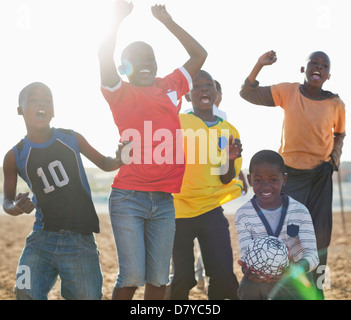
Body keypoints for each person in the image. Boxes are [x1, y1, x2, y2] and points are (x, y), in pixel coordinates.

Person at [98, 0, 207, 300]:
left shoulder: (171, 86)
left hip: (163, 201)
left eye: (150, 58)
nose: (145, 62)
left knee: (159, 279)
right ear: (123, 68)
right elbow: (103, 55)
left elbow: (200, 54)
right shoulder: (119, 93)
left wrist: (167, 21)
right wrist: (117, 19)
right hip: (128, 198)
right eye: (136, 59)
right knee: (132, 275)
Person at [2, 82, 124, 300]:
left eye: (47, 100)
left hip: (80, 241)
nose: (42, 103)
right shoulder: (14, 156)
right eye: (33, 99)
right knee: (24, 291)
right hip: (40, 239)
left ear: (54, 110)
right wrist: (17, 207)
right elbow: (7, 201)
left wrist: (120, 158)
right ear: (19, 110)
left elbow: (105, 163)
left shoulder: (71, 138)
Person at [239, 50, 346, 298]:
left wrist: (333, 159)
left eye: (324, 65)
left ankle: (316, 292)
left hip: (320, 175)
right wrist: (258, 65)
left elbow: (340, 134)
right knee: (285, 236)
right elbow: (247, 93)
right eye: (313, 63)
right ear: (304, 69)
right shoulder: (289, 92)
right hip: (289, 176)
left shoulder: (336, 104)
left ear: (329, 75)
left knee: (319, 239)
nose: (318, 67)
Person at [170, 70, 243, 300]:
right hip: (177, 210)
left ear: (216, 93)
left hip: (211, 208)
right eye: (197, 85)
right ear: (188, 96)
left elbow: (224, 177)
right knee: (182, 277)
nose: (204, 88)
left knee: (222, 274)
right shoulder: (178, 123)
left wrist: (230, 159)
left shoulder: (228, 130)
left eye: (208, 85)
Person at [235, 150, 320, 300]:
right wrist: (247, 269)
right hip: (262, 280)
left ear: (284, 179)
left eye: (273, 180)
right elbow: (246, 254)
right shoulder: (243, 214)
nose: (266, 187)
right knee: (248, 286)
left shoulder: (299, 211)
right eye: (258, 180)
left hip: (296, 279)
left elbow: (313, 255)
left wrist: (296, 268)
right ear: (249, 179)